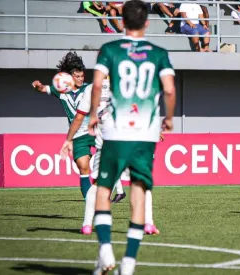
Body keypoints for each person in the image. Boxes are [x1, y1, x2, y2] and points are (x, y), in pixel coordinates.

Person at [87, 0, 176, 274]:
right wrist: (169, 119)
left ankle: (105, 250)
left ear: (121, 21)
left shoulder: (110, 50)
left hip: (115, 130)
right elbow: (170, 90)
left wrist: (92, 114)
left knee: (103, 190)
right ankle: (128, 265)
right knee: (138, 191)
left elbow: (98, 83)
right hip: (145, 133)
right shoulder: (159, 53)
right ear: (147, 22)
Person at [60, 77, 128, 235]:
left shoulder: (91, 88)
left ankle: (87, 225)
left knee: (98, 184)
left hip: (104, 142)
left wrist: (69, 139)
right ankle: (146, 223)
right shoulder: (124, 85)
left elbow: (79, 117)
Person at [31, 52, 98, 201]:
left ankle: (108, 190)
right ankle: (90, 203)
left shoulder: (89, 88)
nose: (81, 79)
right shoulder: (60, 90)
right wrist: (36, 86)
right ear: (69, 77)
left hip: (95, 131)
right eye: (77, 76)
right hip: (78, 135)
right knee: (84, 167)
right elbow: (42, 88)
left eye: (82, 76)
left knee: (106, 164)